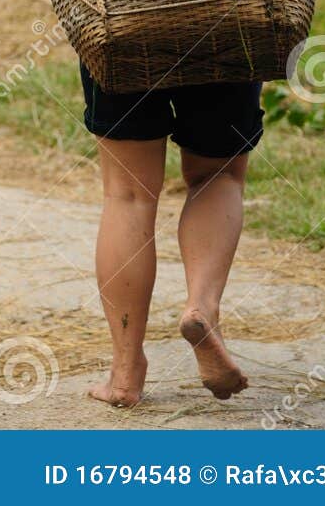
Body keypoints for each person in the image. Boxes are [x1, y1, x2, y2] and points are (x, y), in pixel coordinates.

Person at [80, 64, 262, 407]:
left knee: (128, 193)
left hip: (122, 26)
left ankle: (125, 371)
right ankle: (201, 309)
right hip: (224, 30)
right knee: (218, 174)